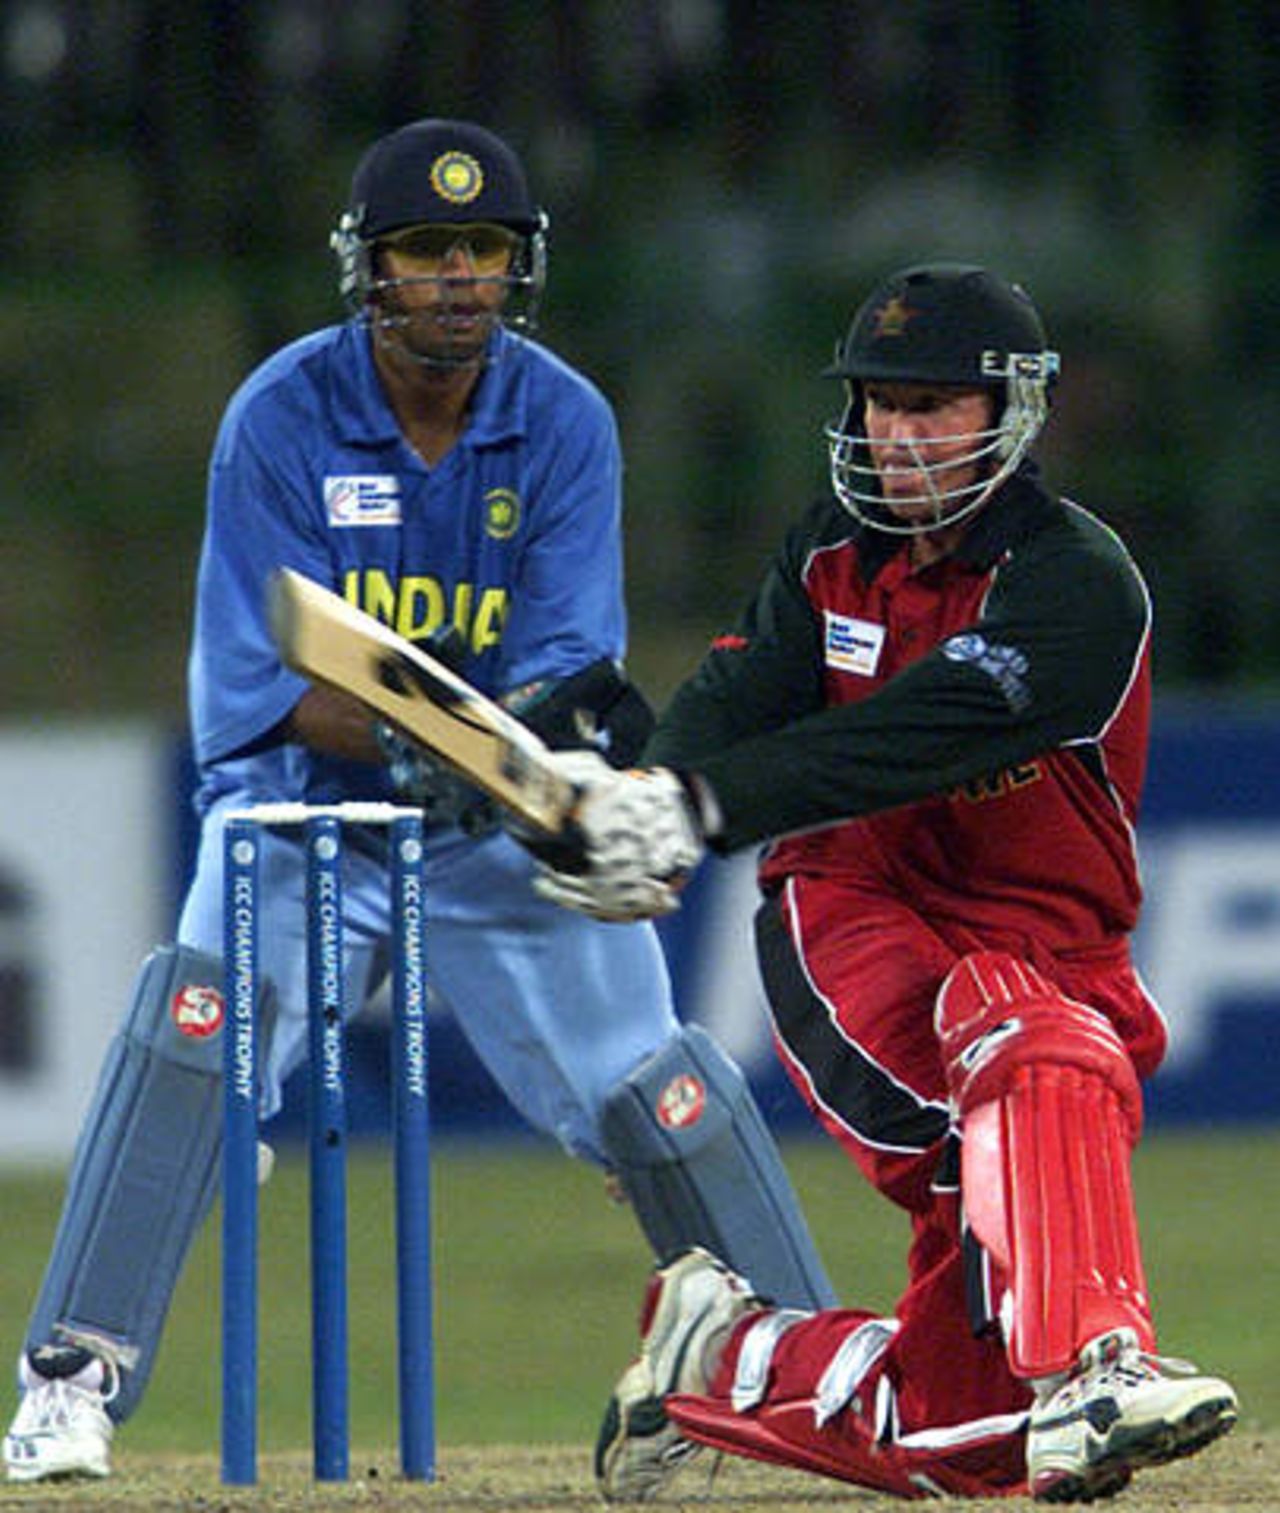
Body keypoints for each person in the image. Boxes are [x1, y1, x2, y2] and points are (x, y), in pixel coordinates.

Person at [3, 118, 835, 1484]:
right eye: (424, 252)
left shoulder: (561, 418)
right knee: (194, 1027)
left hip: (492, 830)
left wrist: (579, 787)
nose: (458, 277)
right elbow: (275, 692)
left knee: (654, 1075)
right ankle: (69, 1381)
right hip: (299, 816)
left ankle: (820, 1378)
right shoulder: (279, 414)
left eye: (483, 251)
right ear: (369, 270)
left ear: (519, 268)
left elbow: (567, 676)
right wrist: (464, 746)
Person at [526, 263, 1240, 1503]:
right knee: (1016, 1035)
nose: (898, 435)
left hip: (1057, 952)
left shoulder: (1075, 582)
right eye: (880, 405)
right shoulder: (825, 556)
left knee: (969, 1440)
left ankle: (728, 1348)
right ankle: (1094, 1361)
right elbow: (737, 699)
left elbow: (917, 729)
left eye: (933, 405)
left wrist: (692, 809)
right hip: (852, 918)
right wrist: (636, 790)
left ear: (1013, 413)